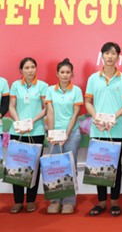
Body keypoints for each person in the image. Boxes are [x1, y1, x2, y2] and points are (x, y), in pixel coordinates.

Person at [85, 42, 122, 217]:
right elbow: (88, 102)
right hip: (97, 130)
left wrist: (115, 117)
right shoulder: (92, 79)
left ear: (118, 57)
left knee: (115, 167)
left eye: (113, 53)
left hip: (115, 129)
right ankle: (101, 202)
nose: (110, 56)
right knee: (98, 165)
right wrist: (96, 117)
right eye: (107, 53)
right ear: (102, 56)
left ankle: (114, 202)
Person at [8, 57, 48, 214]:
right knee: (16, 167)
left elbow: (45, 108)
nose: (30, 70)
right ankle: (18, 201)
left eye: (33, 67)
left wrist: (32, 121)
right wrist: (19, 122)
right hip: (17, 131)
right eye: (27, 67)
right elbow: (11, 106)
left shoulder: (43, 86)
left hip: (36, 131)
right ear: (21, 70)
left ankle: (31, 200)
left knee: (34, 168)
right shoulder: (16, 85)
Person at [45, 58, 83, 214]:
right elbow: (50, 112)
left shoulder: (77, 91)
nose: (65, 75)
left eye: (68, 72)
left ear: (72, 74)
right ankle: (55, 200)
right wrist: (52, 133)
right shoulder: (50, 90)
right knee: (55, 166)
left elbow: (75, 115)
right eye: (62, 72)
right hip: (55, 134)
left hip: (71, 134)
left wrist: (66, 134)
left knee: (69, 166)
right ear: (57, 74)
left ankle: (68, 201)